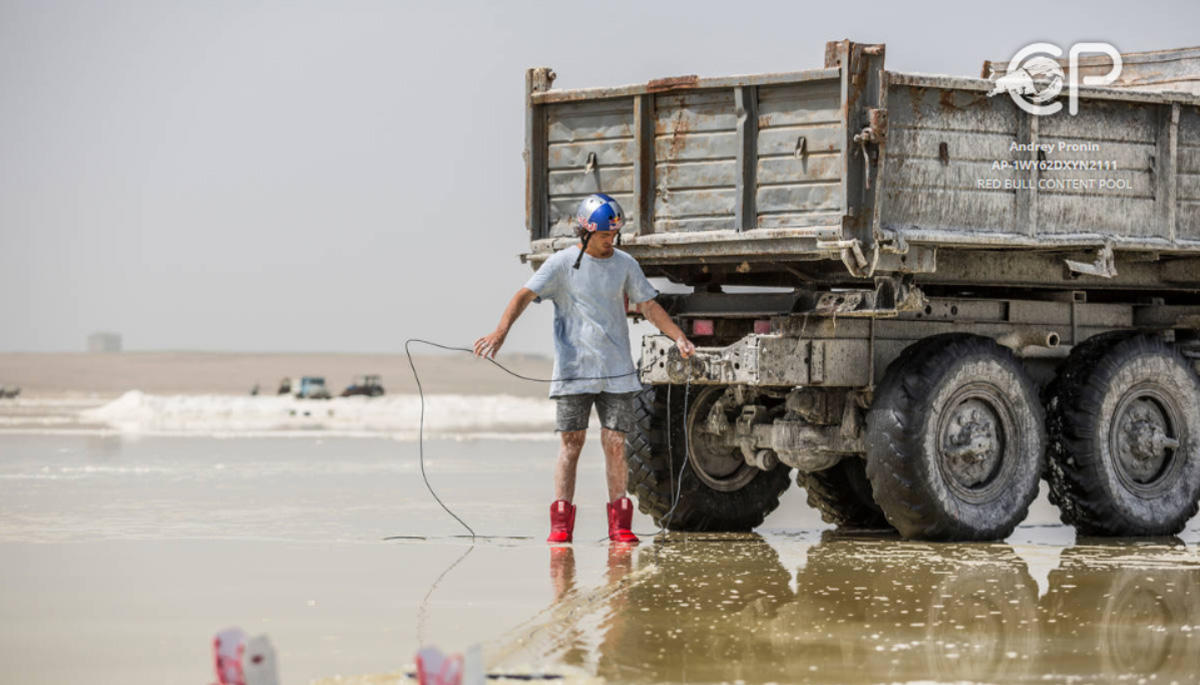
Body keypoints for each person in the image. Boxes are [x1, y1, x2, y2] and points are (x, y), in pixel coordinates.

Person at [475, 193, 695, 544]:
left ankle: (620, 524)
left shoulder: (624, 264)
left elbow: (649, 305)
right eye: (605, 234)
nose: (611, 240)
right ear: (586, 232)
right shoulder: (562, 264)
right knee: (571, 443)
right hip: (574, 369)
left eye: (615, 234)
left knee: (615, 443)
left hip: (617, 371)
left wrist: (678, 337)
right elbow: (523, 296)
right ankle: (561, 523)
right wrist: (500, 331)